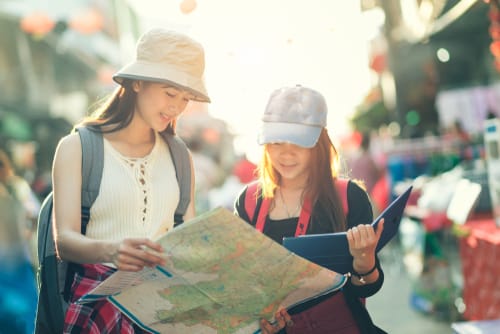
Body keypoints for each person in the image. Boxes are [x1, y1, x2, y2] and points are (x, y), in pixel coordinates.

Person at [51, 28, 210, 333]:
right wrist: (113, 250)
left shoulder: (180, 155)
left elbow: (186, 241)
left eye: (185, 98)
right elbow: (65, 241)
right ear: (137, 82)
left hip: (164, 312)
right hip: (98, 310)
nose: (177, 107)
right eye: (169, 93)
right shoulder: (78, 147)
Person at [234, 85, 386, 334]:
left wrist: (364, 259)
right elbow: (242, 282)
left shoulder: (348, 197)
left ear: (319, 143)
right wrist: (259, 320)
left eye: (298, 143)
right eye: (276, 142)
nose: (286, 153)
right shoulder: (249, 200)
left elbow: (367, 287)